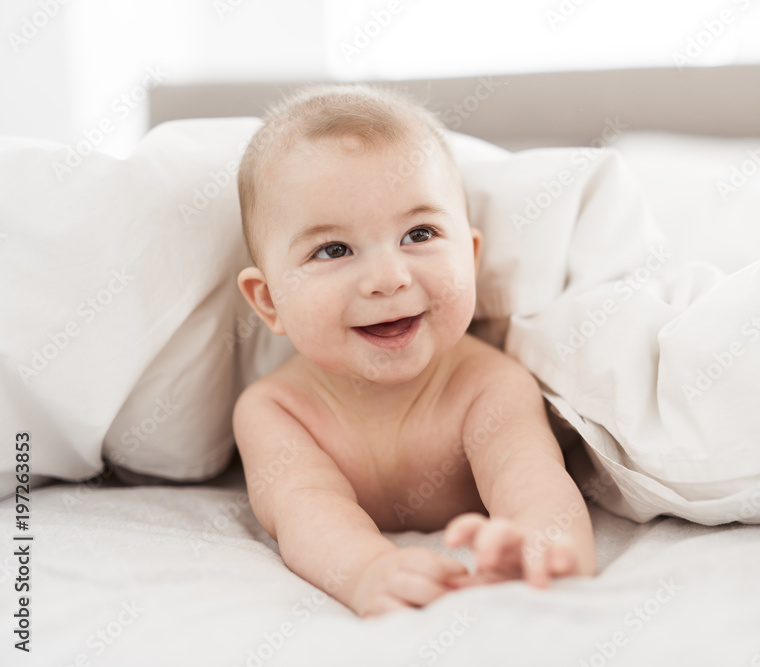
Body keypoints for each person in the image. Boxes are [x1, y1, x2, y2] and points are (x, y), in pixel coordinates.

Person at [232, 83, 596, 617]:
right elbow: (306, 510)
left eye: (419, 233)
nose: (387, 278)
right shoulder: (276, 410)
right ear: (269, 302)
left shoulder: (489, 385)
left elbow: (533, 482)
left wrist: (541, 546)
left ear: (470, 258)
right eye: (333, 249)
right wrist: (365, 571)